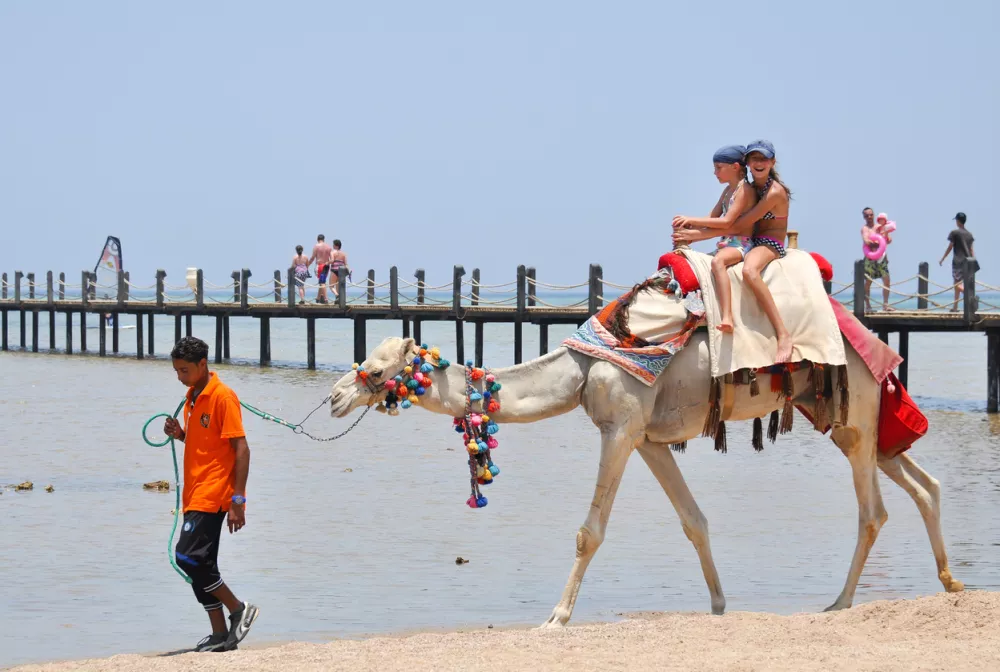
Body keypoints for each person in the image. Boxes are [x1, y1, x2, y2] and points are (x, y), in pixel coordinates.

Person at [162, 337, 260, 653]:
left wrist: (238, 499)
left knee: (188, 557)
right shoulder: (193, 398)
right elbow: (205, 443)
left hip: (214, 492)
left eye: (185, 370)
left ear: (203, 364)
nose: (180, 377)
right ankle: (219, 633)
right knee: (200, 564)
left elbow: (241, 449)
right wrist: (181, 435)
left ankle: (238, 609)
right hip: (193, 493)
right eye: (177, 371)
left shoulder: (222, 397)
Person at [675, 140, 794, 362]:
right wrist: (688, 232)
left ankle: (783, 334)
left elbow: (738, 225)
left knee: (749, 271)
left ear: (772, 162)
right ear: (746, 163)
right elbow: (717, 220)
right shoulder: (749, 188)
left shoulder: (773, 192)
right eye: (754, 159)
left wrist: (697, 234)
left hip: (767, 242)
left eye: (764, 159)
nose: (759, 163)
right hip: (746, 238)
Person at [670, 145, 758, 333]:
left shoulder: (745, 190)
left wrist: (691, 220)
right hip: (725, 242)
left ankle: (727, 316)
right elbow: (713, 218)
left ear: (735, 167)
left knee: (718, 262)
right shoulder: (728, 190)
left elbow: (726, 221)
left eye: (718, 167)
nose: (715, 172)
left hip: (741, 243)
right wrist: (687, 231)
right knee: (692, 263)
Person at [939, 212, 976, 312]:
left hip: (958, 262)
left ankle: (970, 297)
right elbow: (971, 250)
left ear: (958, 221)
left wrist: (943, 258)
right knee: (958, 284)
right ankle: (955, 307)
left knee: (957, 284)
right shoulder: (969, 234)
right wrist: (973, 262)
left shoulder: (954, 233)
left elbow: (950, 247)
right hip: (968, 262)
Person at [861, 207, 893, 312]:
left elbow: (888, 241)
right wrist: (878, 243)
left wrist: (885, 237)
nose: (869, 217)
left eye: (871, 214)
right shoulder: (865, 229)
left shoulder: (880, 227)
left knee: (887, 279)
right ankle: (868, 306)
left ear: (874, 215)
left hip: (881, 257)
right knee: (868, 282)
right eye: (866, 215)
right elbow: (867, 241)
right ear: (864, 217)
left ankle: (885, 305)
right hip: (870, 258)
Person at [308, 234, 333, 304]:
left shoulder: (316, 246)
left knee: (322, 283)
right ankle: (318, 299)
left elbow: (312, 258)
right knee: (321, 281)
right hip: (327, 266)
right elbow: (332, 259)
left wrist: (307, 265)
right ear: (324, 239)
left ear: (317, 239)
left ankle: (326, 299)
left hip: (319, 266)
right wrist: (327, 263)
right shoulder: (328, 247)